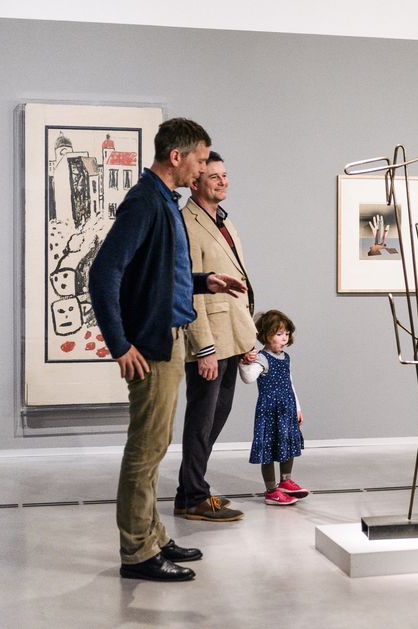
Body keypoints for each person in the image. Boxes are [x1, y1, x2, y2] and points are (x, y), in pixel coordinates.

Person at [89, 118, 247, 582]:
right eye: (199, 160)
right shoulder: (144, 203)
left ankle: (154, 536)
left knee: (155, 447)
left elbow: (157, 275)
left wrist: (205, 281)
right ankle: (138, 552)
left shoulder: (165, 202)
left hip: (169, 338)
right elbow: (103, 274)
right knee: (146, 448)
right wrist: (119, 345)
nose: (203, 170)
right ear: (176, 157)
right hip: (152, 345)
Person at [173, 151, 256, 523]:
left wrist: (247, 337)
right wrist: (203, 348)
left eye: (225, 175)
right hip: (209, 340)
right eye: (214, 177)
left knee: (216, 418)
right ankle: (193, 496)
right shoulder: (187, 223)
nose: (223, 181)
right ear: (195, 183)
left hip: (232, 334)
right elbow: (188, 290)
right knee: (201, 421)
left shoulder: (223, 220)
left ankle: (191, 491)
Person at [239, 309, 309, 505]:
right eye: (279, 334)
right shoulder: (262, 358)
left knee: (287, 444)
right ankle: (271, 491)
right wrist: (244, 362)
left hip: (286, 409)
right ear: (266, 336)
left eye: (286, 333)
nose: (284, 338)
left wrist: (297, 407)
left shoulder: (286, 357)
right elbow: (248, 378)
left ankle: (285, 481)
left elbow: (290, 383)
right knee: (268, 449)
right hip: (270, 411)